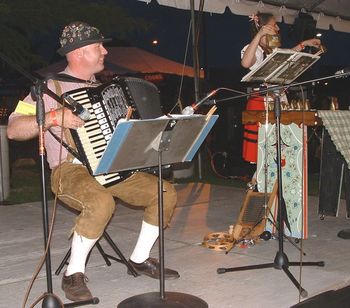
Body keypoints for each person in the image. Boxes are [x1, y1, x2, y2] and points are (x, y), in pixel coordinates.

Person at [7, 21, 179, 302]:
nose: (104, 51)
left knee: (164, 192)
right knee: (101, 202)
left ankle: (139, 257)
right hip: (69, 171)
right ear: (77, 54)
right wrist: (52, 118)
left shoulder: (105, 89)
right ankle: (73, 273)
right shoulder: (51, 88)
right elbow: (14, 129)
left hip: (110, 167)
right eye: (97, 46)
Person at [240, 12, 321, 169]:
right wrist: (260, 35)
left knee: (278, 151)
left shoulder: (271, 50)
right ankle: (259, 185)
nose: (277, 27)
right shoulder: (254, 49)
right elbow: (245, 63)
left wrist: (304, 43)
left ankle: (268, 185)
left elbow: (288, 56)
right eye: (274, 24)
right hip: (263, 102)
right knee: (265, 152)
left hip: (278, 100)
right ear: (264, 26)